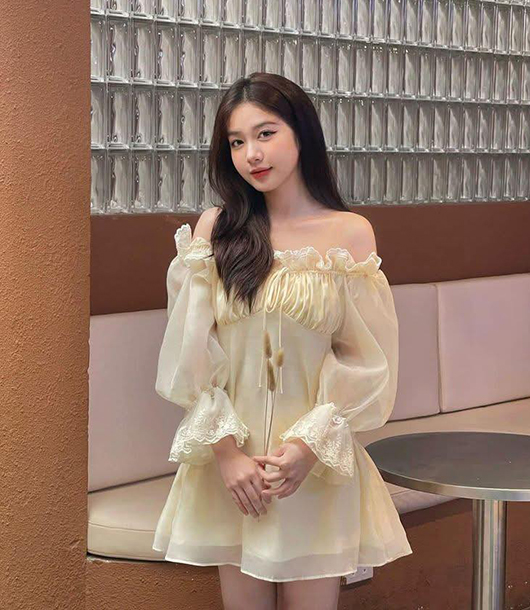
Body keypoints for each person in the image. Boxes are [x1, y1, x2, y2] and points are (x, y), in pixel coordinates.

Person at [152, 72, 413, 610]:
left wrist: (306, 448)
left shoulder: (349, 234)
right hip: (232, 468)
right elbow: (190, 352)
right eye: (236, 141)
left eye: (265, 133)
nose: (251, 154)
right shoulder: (216, 230)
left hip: (311, 466)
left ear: (301, 132)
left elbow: (367, 360)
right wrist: (227, 454)